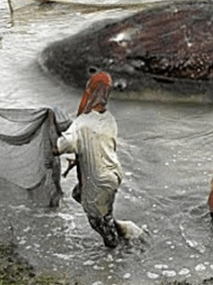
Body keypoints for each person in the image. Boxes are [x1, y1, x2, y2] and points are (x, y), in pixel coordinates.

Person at [53, 72, 144, 247]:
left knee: (98, 224)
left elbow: (58, 148)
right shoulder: (109, 119)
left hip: (99, 180)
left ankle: (117, 258)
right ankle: (121, 229)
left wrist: (50, 129)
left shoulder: (82, 124)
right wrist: (77, 160)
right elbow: (102, 146)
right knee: (78, 194)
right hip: (113, 174)